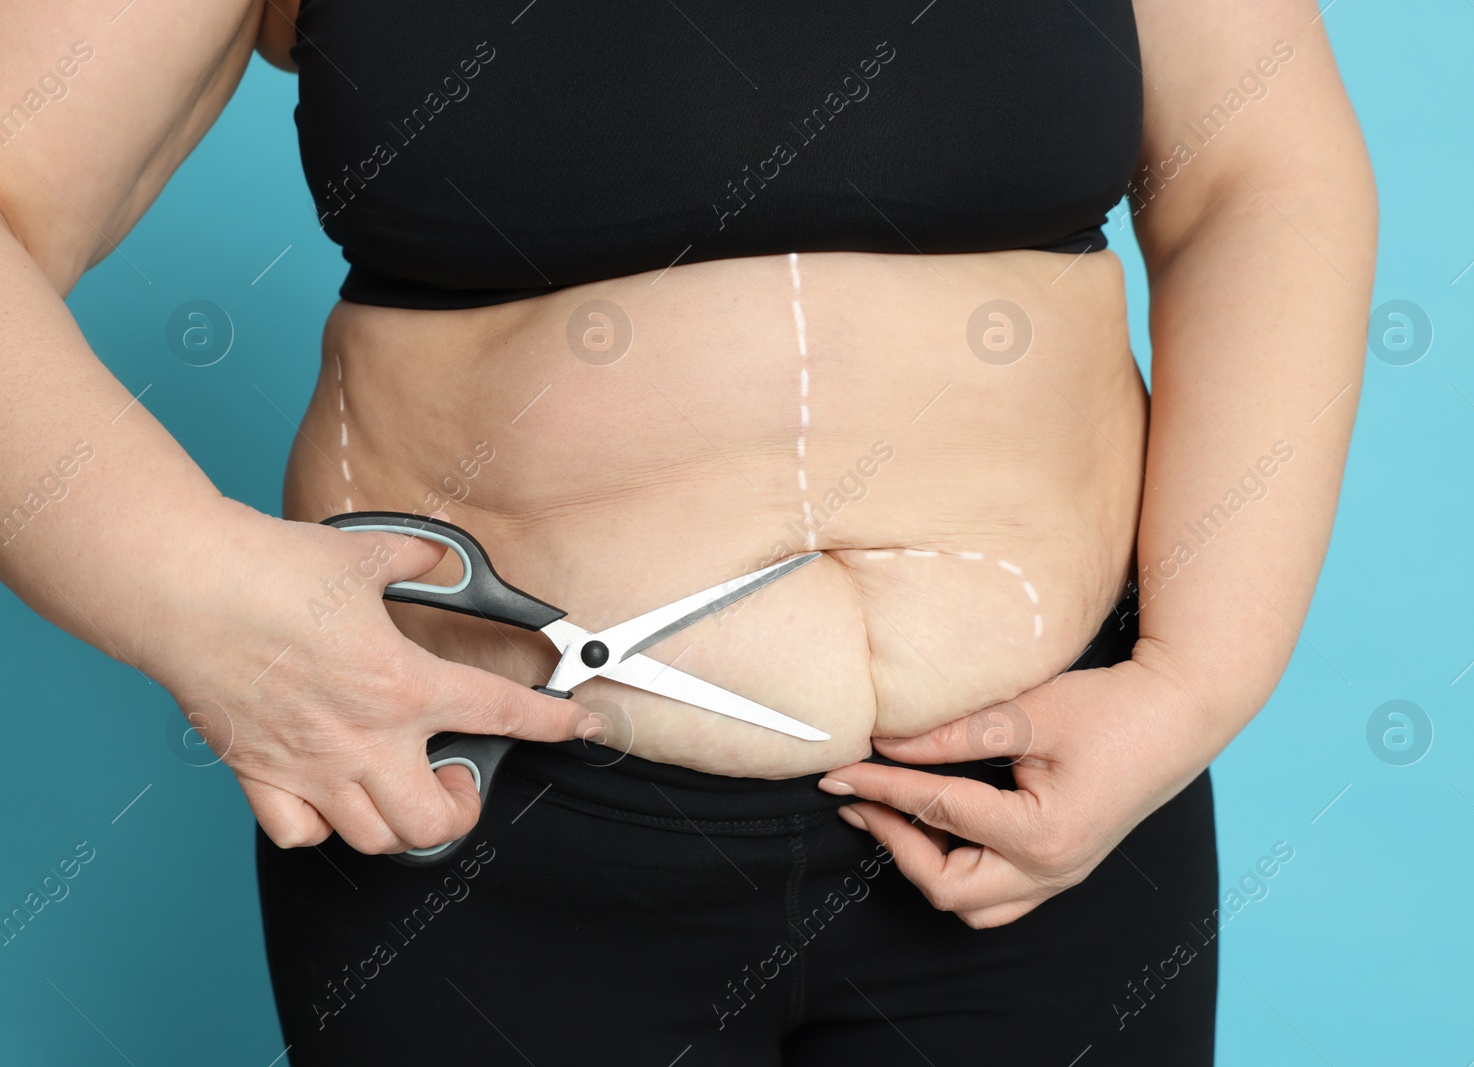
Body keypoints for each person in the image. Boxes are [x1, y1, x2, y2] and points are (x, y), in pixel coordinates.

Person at [0, 0, 1375, 1062]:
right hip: (488, 835)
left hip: (1048, 811)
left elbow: (1258, 174)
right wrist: (188, 592)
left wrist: (1194, 677)